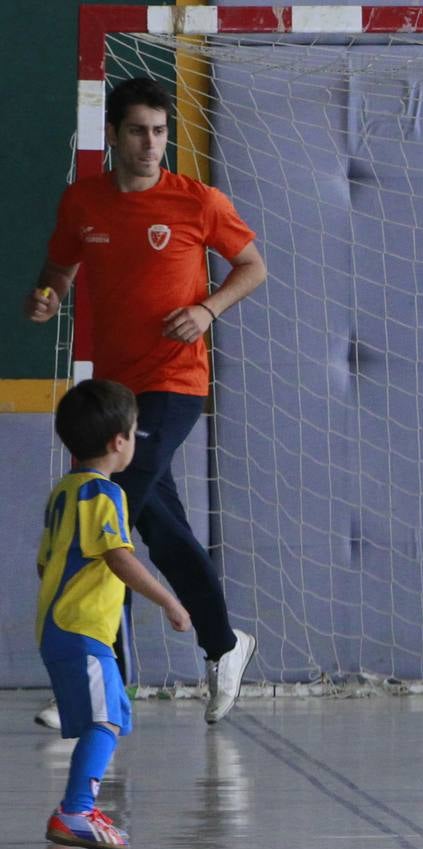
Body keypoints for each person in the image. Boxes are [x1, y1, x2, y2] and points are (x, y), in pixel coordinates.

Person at [24, 76, 266, 726]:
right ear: (113, 135)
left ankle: (100, 673)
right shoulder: (84, 201)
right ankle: (220, 645)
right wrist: (46, 298)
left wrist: (207, 309)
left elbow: (252, 266)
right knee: (153, 524)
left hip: (175, 383)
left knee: (108, 506)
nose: (151, 143)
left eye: (160, 131)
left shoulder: (197, 201)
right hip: (116, 390)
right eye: (138, 131)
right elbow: (57, 271)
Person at [37, 380, 193, 849]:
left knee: (109, 716)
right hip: (81, 629)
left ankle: (78, 806)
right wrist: (169, 599)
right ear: (118, 442)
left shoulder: (64, 492)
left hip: (60, 628)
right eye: (135, 429)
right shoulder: (105, 495)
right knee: (104, 721)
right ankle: (75, 812)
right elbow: (118, 556)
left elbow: (45, 562)